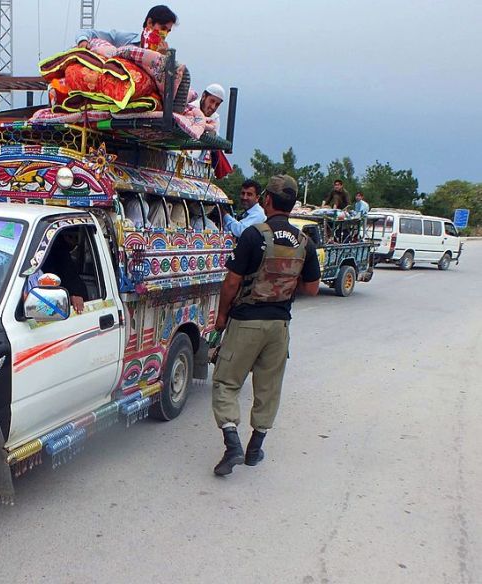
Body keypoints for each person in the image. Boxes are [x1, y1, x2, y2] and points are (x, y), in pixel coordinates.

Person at [211, 175, 321, 476]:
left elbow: (232, 282)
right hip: (279, 326)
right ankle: (255, 448)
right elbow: (312, 289)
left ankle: (232, 441)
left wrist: (221, 317)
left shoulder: (253, 235)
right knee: (268, 388)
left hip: (247, 321)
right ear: (293, 204)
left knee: (225, 382)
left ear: (267, 200)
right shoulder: (305, 243)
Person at [75, 5, 188, 112]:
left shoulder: (163, 53)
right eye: (163, 28)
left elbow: (162, 86)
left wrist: (161, 59)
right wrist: (83, 41)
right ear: (149, 23)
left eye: (168, 31)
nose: (164, 34)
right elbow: (87, 33)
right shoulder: (126, 39)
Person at [27, 228, 87, 314]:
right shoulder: (54, 251)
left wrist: (75, 294)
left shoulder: (59, 252)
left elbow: (69, 274)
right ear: (66, 237)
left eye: (77, 238)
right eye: (72, 237)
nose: (76, 243)